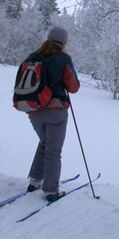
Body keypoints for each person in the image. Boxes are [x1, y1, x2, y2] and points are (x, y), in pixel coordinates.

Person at [25, 27, 80, 202]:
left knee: (45, 142)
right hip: (55, 110)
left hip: (32, 109)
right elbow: (73, 87)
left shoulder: (32, 56)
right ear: (64, 42)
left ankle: (34, 181)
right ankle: (50, 191)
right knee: (53, 151)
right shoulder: (63, 58)